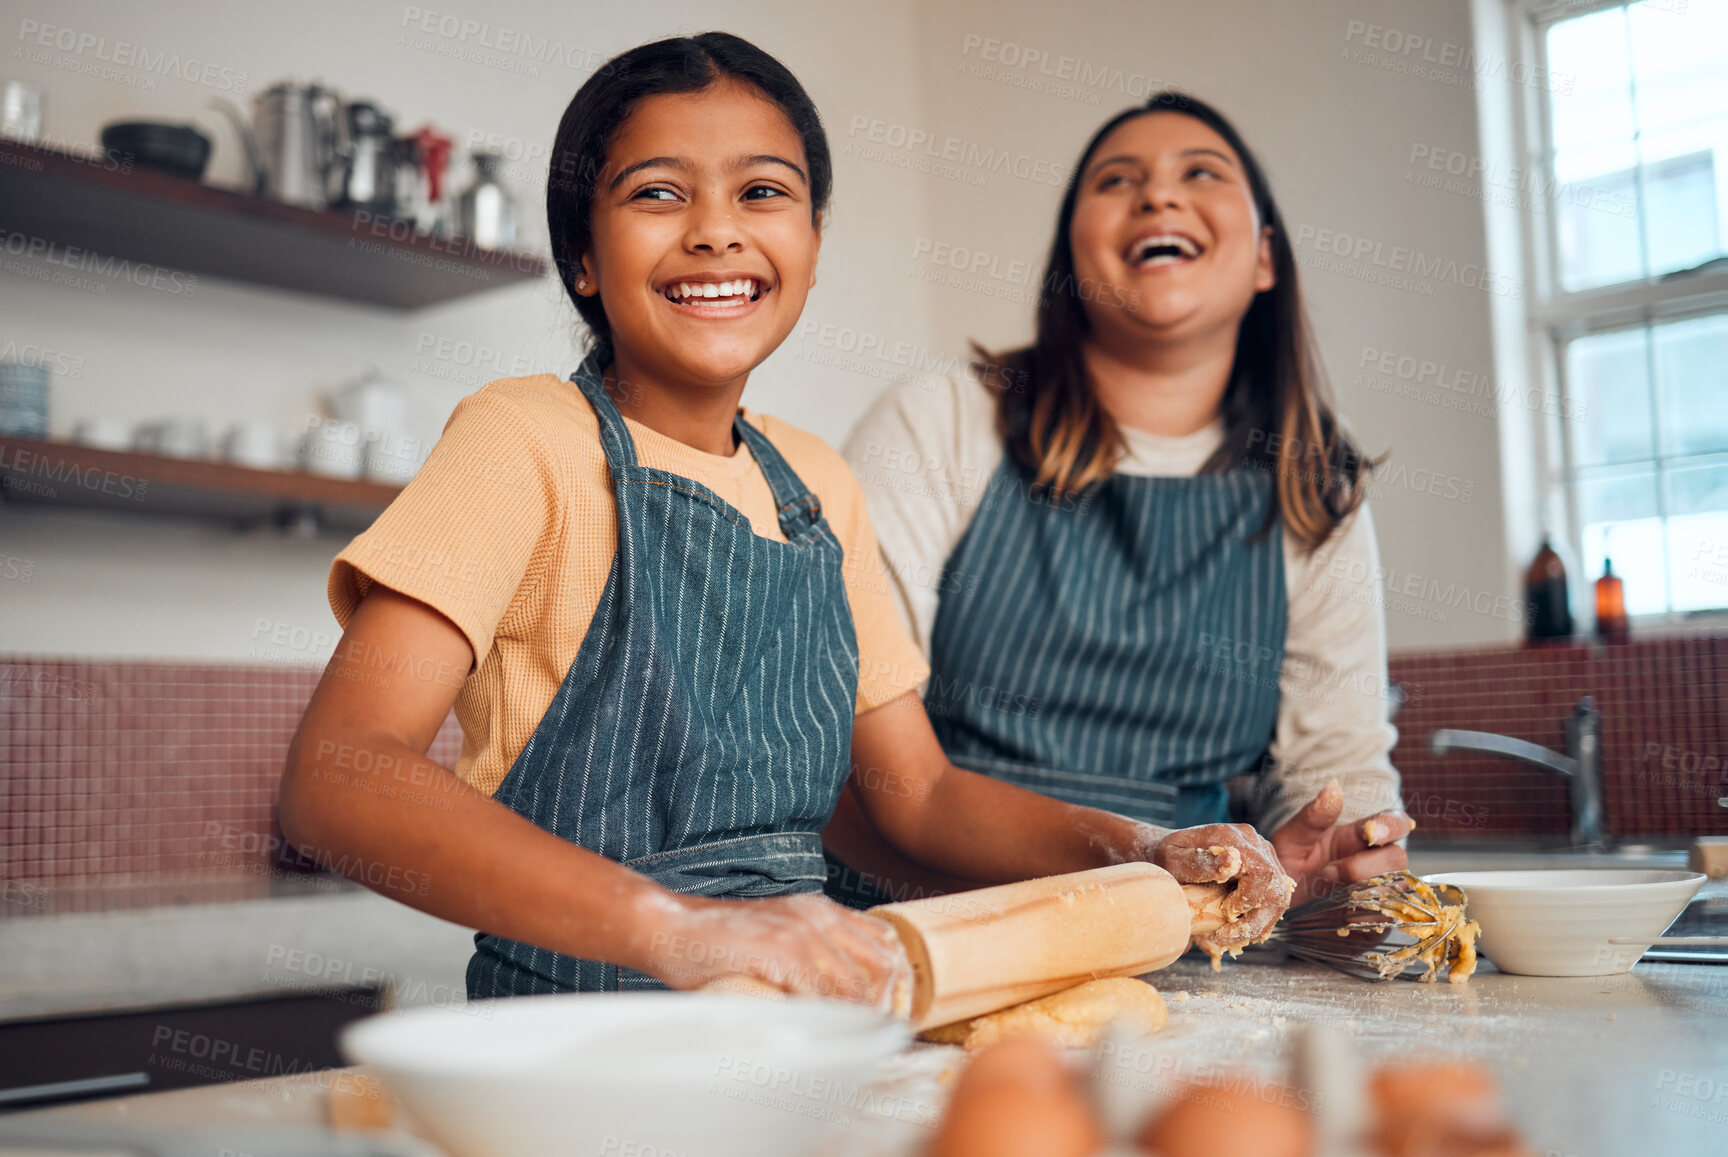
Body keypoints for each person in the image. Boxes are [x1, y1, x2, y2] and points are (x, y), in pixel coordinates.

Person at [279, 39, 1295, 1006]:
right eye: (657, 193)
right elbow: (339, 777)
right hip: (578, 1039)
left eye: (763, 191)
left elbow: (922, 798)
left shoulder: (816, 484)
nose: (716, 228)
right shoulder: (521, 438)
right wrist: (678, 925)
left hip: (799, 1024)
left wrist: (1142, 844)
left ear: (810, 243)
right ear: (583, 258)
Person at [828, 92, 1413, 912]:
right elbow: (848, 739)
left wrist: (1339, 861)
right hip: (930, 914)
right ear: (1072, 253)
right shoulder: (943, 419)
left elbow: (1336, 772)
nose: (1158, 196)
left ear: (1265, 259)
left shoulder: (1311, 478)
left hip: (1187, 936)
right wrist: (1106, 877)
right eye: (1116, 181)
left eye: (1201, 173)